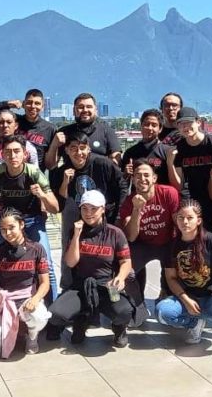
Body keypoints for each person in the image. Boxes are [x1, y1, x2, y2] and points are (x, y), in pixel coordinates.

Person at [155, 199, 212, 360]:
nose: (185, 222)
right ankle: (195, 323)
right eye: (181, 217)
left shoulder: (210, 239)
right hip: (188, 298)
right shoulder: (172, 246)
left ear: (198, 220)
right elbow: (171, 277)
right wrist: (185, 300)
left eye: (189, 218)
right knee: (162, 311)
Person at [47, 190, 134, 347]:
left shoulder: (115, 233)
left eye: (94, 208)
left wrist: (120, 278)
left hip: (107, 286)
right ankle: (81, 319)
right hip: (81, 286)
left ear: (103, 209)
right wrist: (76, 236)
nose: (88, 213)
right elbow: (71, 263)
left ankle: (119, 328)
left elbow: (126, 262)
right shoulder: (75, 231)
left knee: (125, 311)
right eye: (85, 208)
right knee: (57, 314)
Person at [0, 134, 60, 301]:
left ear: (25, 154)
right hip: (8, 221)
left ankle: (53, 308)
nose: (13, 156)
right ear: (2, 155)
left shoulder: (33, 172)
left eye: (17, 151)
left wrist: (42, 195)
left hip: (32, 220)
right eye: (8, 152)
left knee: (47, 265)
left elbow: (55, 208)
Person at [49, 132, 126, 289]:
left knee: (107, 253)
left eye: (82, 148)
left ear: (89, 149)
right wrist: (65, 182)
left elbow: (122, 186)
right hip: (75, 218)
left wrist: (119, 215)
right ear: (67, 150)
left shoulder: (103, 164)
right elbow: (59, 203)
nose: (79, 153)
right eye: (73, 148)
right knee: (71, 252)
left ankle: (113, 285)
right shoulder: (62, 171)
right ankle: (70, 287)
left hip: (103, 217)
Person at [0, 208, 51, 359]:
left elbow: (45, 283)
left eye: (11, 228)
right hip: (3, 302)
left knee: (39, 316)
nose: (7, 233)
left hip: (27, 301)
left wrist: (35, 299)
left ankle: (32, 336)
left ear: (21, 225)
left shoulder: (36, 249)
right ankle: (1, 331)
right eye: (3, 229)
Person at [119, 159, 180, 297]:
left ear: (154, 178)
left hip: (168, 243)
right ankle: (135, 302)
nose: (142, 179)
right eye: (138, 175)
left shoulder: (168, 193)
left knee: (174, 275)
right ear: (133, 179)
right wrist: (136, 209)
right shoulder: (129, 202)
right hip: (143, 244)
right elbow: (131, 237)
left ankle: (167, 295)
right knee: (126, 273)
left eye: (146, 175)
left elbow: (178, 224)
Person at [0, 89, 57, 172]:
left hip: (33, 177)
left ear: (43, 106)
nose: (33, 106)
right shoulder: (10, 122)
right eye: (29, 102)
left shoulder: (50, 129)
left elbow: (51, 163)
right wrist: (6, 104)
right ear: (23, 104)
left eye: (37, 103)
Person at [168, 107, 212, 231]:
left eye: (189, 122)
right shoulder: (179, 148)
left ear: (198, 122)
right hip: (191, 203)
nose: (185, 127)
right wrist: (170, 163)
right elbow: (179, 184)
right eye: (181, 124)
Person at [46, 93, 121, 169]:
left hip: (100, 175)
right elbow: (50, 166)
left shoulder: (107, 131)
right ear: (74, 111)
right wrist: (54, 145)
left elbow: (116, 162)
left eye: (89, 107)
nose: (85, 110)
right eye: (81, 107)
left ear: (95, 110)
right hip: (71, 175)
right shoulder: (64, 132)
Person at [122, 109, 172, 185]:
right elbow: (122, 183)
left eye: (154, 125)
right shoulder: (130, 152)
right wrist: (125, 174)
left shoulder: (168, 152)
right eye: (146, 124)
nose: (149, 128)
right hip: (138, 192)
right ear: (141, 126)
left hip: (161, 191)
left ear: (160, 129)